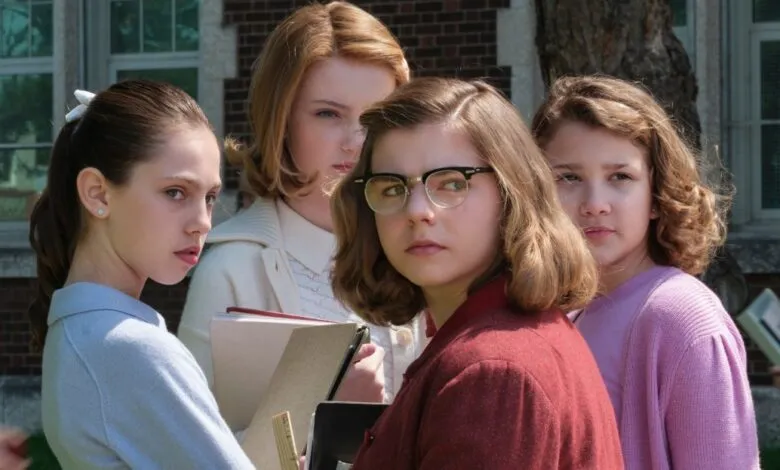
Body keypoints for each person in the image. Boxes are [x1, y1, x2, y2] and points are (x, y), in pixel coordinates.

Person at [328, 77, 625, 469]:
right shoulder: (495, 338)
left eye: (451, 183)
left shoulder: (493, 372)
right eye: (392, 188)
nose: (417, 210)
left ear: (511, 193)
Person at [178, 1, 422, 410]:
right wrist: (330, 414)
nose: (355, 141)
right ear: (281, 120)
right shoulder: (233, 269)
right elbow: (195, 441)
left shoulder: (424, 241)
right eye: (328, 114)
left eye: (376, 118)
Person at [532, 75, 760, 469]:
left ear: (656, 194)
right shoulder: (566, 312)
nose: (594, 203)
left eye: (620, 177)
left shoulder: (683, 317)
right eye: (569, 177)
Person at [29, 81, 254, 469]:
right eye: (175, 192)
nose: (202, 222)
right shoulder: (131, 347)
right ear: (98, 194)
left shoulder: (77, 331)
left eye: (209, 197)